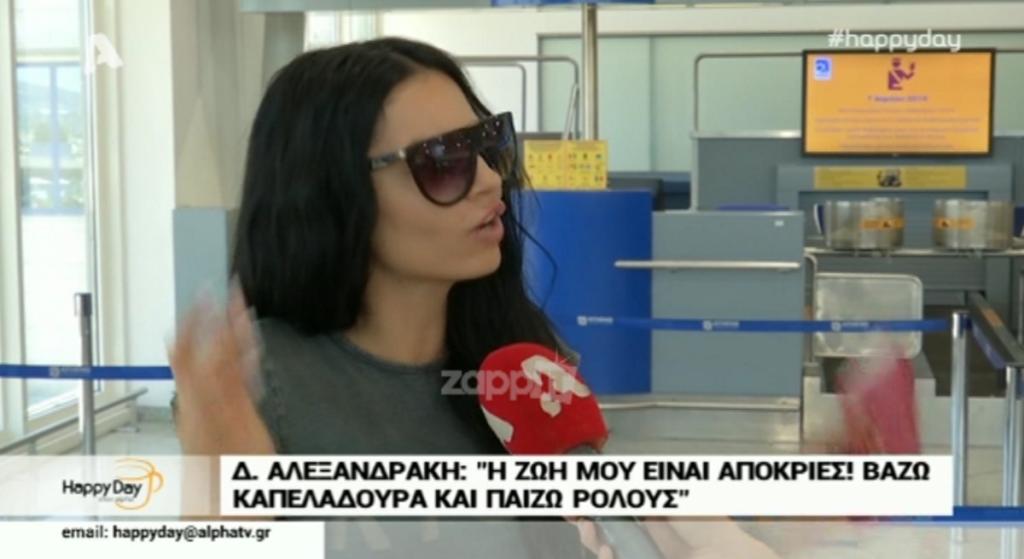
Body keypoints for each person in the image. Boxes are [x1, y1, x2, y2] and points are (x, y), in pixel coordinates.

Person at [168, 36, 781, 559]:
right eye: (443, 162)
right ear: (334, 193)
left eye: (487, 144)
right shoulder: (259, 387)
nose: (490, 180)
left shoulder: (521, 361)